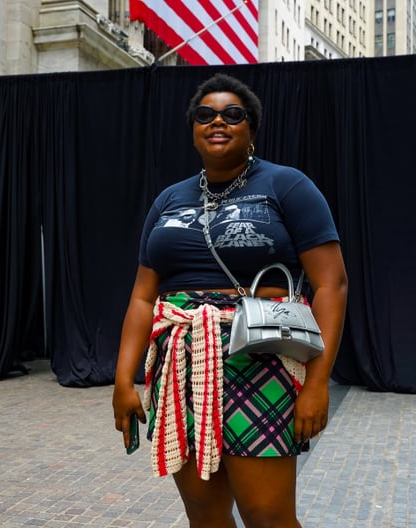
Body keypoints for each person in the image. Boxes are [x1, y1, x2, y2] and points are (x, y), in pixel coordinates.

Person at [112, 73, 348, 527]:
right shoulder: (168, 200)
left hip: (261, 361)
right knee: (204, 513)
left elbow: (332, 285)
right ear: (194, 128)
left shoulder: (287, 187)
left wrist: (318, 384)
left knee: (268, 515)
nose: (218, 121)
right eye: (206, 115)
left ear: (251, 129)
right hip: (180, 364)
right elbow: (143, 297)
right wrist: (124, 380)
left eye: (232, 114)